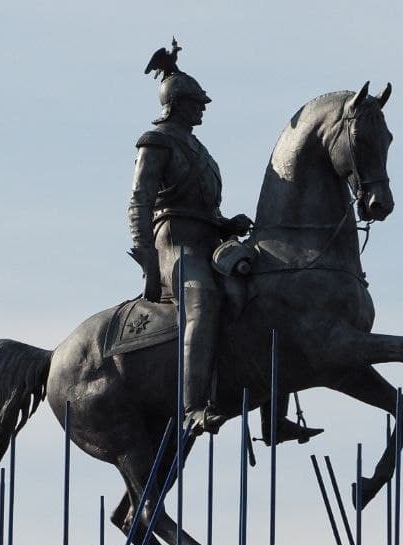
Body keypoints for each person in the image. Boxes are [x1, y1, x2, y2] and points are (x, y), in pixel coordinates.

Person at [130, 40, 320, 444]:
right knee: (202, 300)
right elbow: (141, 200)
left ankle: (274, 416)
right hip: (174, 245)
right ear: (178, 103)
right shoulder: (156, 141)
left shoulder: (200, 150)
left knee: (270, 297)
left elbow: (202, 207)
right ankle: (194, 405)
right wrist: (145, 253)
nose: (203, 108)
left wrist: (225, 222)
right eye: (197, 102)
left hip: (208, 240)